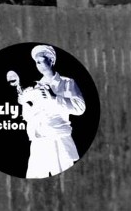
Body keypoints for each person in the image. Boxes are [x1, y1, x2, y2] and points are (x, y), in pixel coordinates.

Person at [17, 44, 86, 178]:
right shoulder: (35, 88)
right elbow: (28, 117)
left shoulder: (67, 83)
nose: (39, 64)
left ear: (51, 60)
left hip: (58, 139)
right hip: (38, 141)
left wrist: (54, 98)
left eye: (41, 60)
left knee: (65, 180)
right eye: (36, 62)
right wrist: (25, 103)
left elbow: (80, 108)